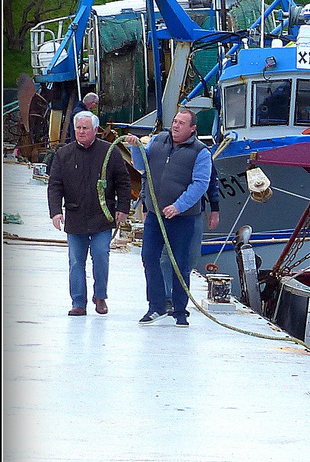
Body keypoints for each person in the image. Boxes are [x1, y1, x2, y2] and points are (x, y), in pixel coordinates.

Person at [123, 109, 212, 327]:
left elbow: (200, 184)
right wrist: (136, 148)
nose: (175, 125)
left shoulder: (201, 152)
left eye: (181, 123)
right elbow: (142, 166)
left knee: (180, 264)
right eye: (174, 121)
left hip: (182, 218)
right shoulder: (157, 140)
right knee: (149, 257)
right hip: (156, 215)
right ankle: (156, 306)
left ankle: (180, 311)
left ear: (192, 129)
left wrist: (178, 206)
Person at [46, 111, 131, 316]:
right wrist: (56, 212)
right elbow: (54, 185)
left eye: (85, 128)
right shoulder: (64, 154)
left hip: (102, 216)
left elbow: (123, 182)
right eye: (78, 128)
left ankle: (100, 296)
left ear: (95, 130)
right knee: (76, 260)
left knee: (101, 255)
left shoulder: (109, 152)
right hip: (75, 217)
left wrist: (123, 208)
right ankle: (78, 302)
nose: (81, 132)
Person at [162, 161, 221, 321]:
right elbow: (150, 177)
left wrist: (214, 209)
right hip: (163, 210)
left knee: (191, 257)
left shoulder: (202, 153)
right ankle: (168, 298)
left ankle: (180, 298)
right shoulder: (162, 148)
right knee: (166, 257)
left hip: (193, 212)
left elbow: (211, 179)